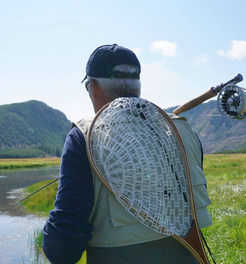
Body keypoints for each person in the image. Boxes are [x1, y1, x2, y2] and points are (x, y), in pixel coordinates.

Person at [43, 44, 212, 264]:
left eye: (87, 87)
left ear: (93, 87)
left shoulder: (82, 137)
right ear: (137, 87)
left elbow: (63, 250)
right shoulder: (185, 130)